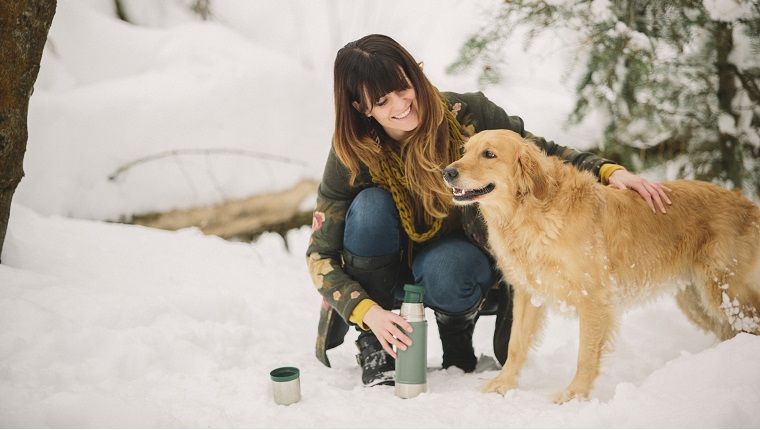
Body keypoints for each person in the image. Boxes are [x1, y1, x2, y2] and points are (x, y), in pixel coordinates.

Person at [306, 34, 671, 387]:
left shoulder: (467, 114)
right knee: (370, 207)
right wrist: (365, 311)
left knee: (450, 265)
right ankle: (376, 347)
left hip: (461, 263)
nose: (401, 105)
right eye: (382, 102)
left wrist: (611, 171)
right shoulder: (352, 154)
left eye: (404, 87)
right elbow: (319, 253)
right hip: (385, 275)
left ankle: (457, 337)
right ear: (360, 107)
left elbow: (540, 153)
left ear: (414, 75)